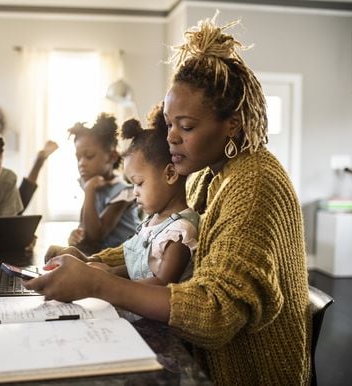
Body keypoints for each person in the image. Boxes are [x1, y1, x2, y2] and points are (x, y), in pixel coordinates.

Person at [26, 14, 311, 385]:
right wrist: (89, 263)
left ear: (233, 124)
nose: (171, 137)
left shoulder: (254, 183)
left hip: (246, 372)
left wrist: (97, 283)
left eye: (187, 126)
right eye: (169, 123)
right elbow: (152, 240)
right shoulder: (207, 174)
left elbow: (215, 313)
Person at [58, 103, 199, 286]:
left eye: (139, 183)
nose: (134, 192)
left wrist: (106, 281)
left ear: (170, 174)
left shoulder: (179, 231)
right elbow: (138, 266)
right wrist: (109, 271)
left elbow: (162, 284)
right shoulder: (153, 222)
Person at [67, 113, 139, 255]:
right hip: (99, 257)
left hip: (124, 259)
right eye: (78, 158)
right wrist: (76, 235)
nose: (81, 163)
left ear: (112, 157)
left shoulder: (123, 192)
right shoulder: (91, 185)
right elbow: (85, 228)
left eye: (89, 156)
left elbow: (96, 235)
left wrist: (89, 190)